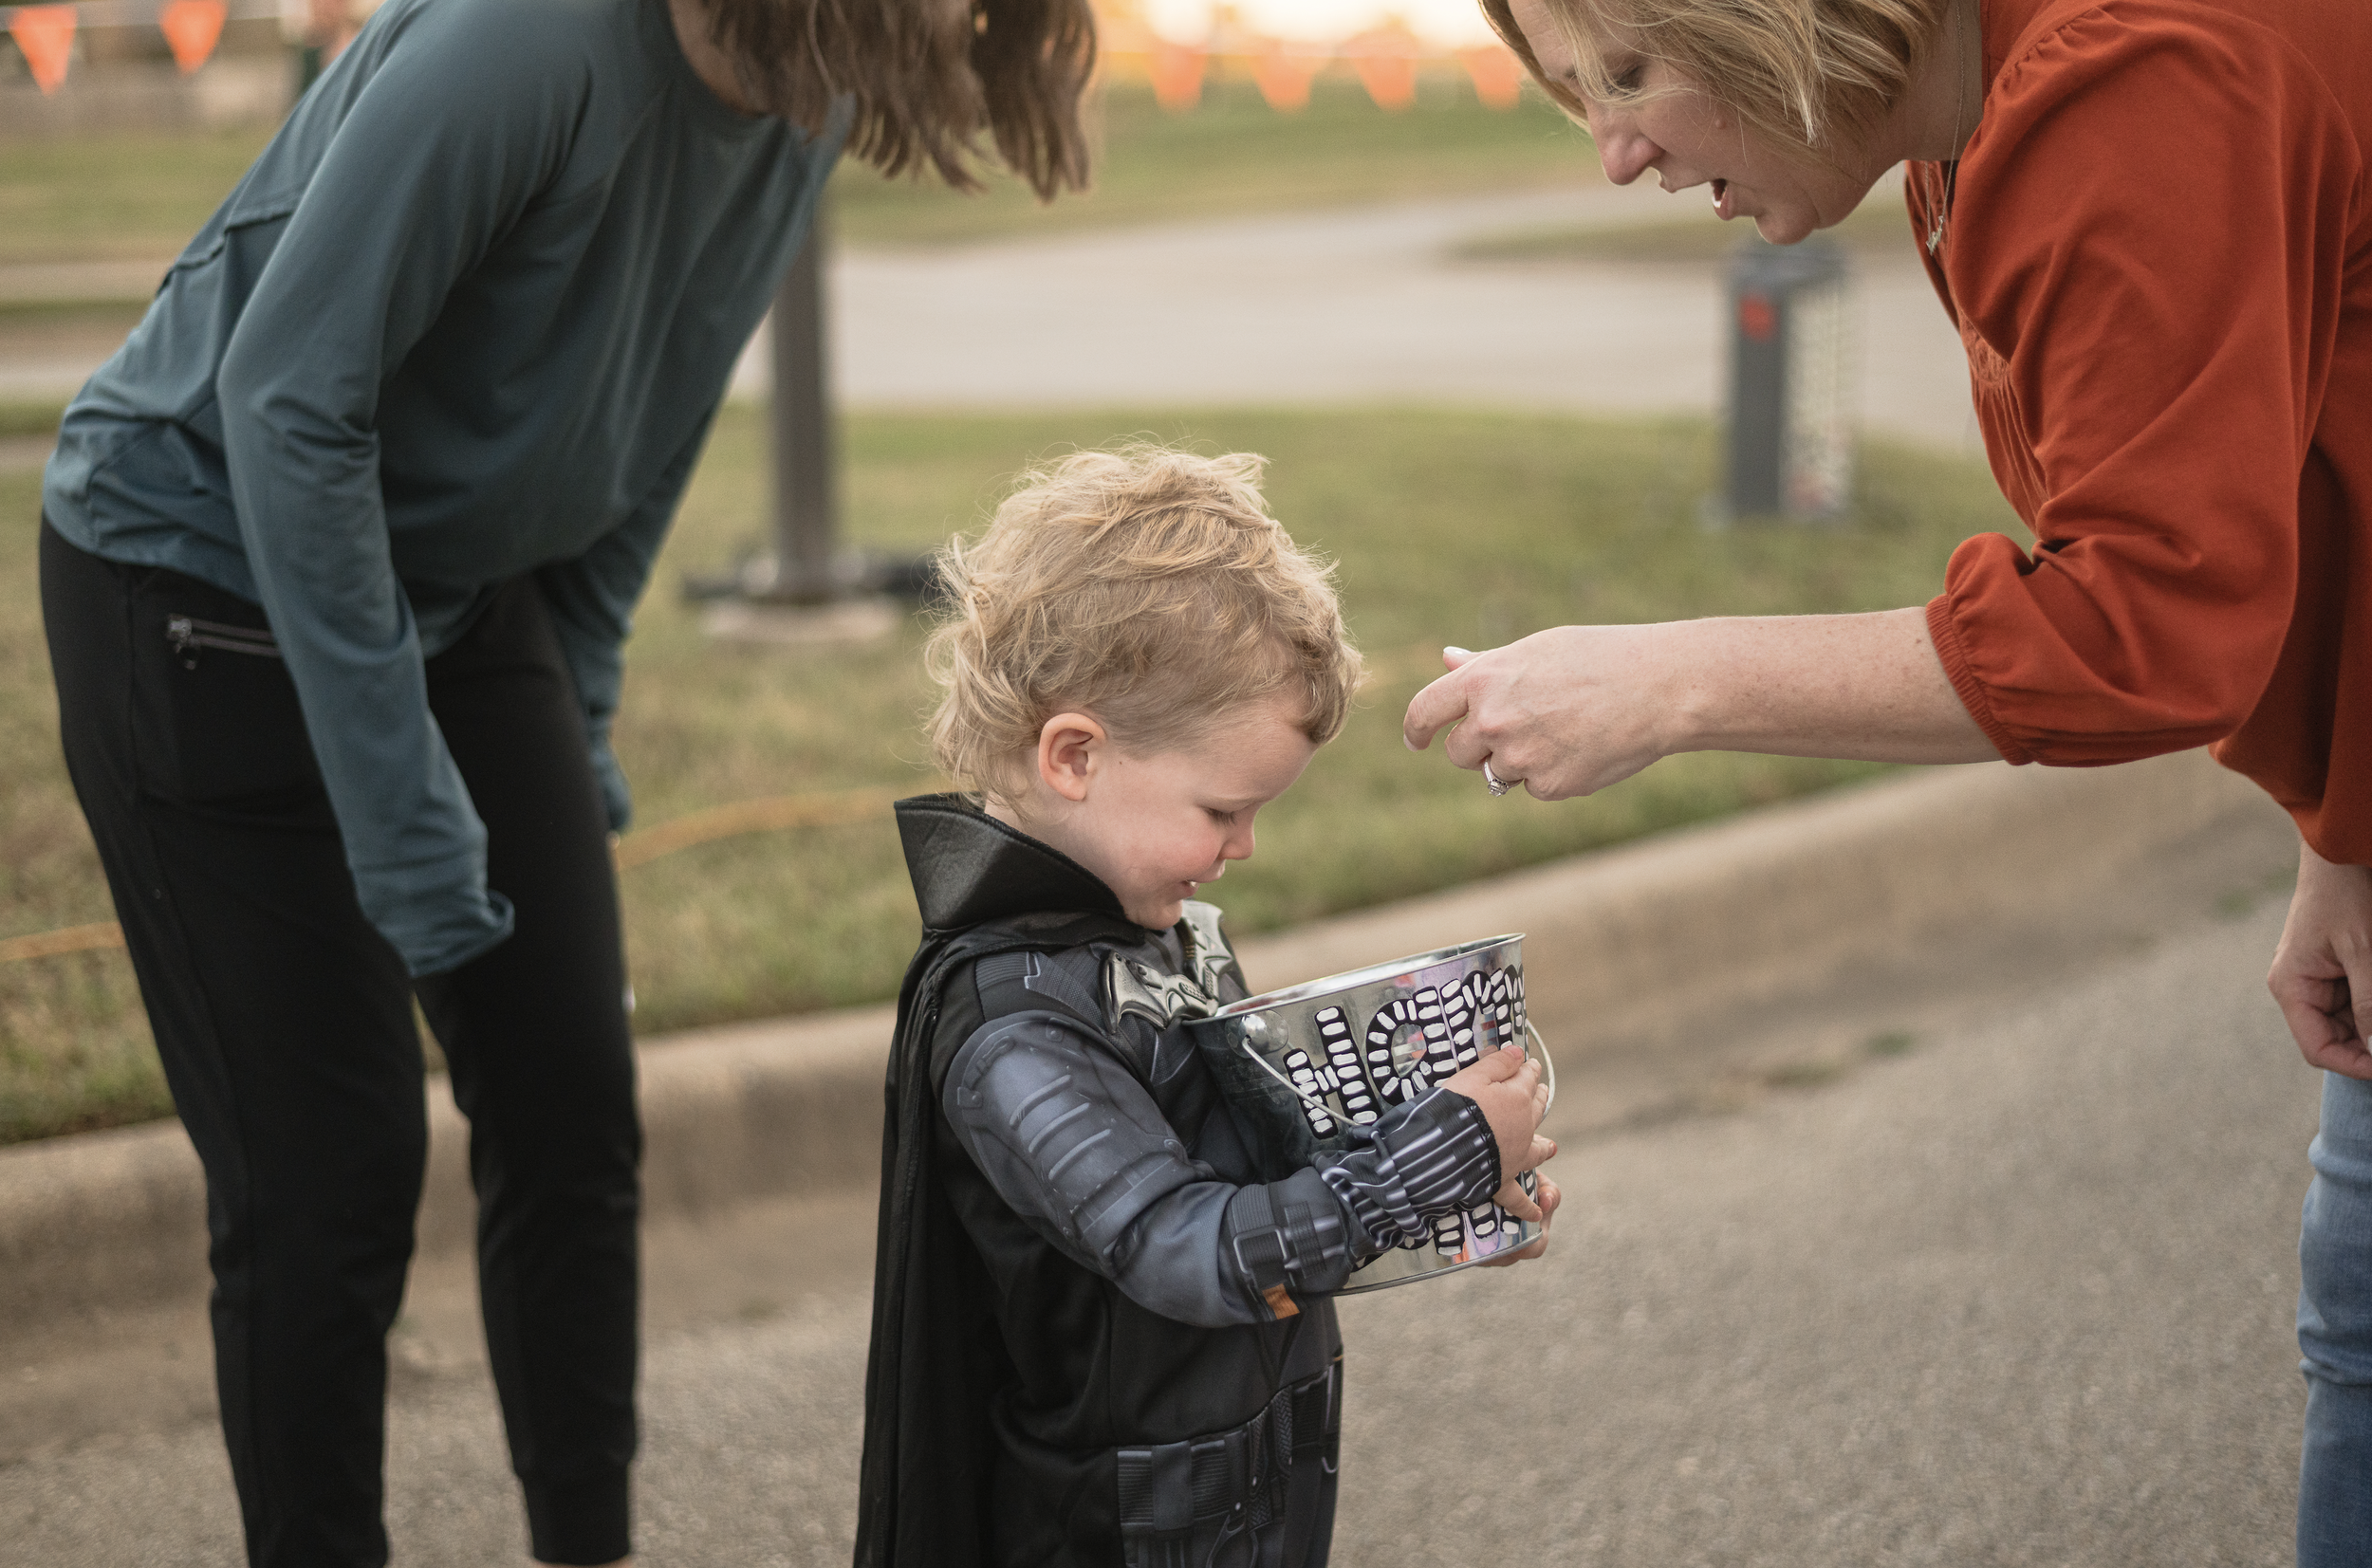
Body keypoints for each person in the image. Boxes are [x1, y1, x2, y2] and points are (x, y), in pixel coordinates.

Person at [35, 0, 1094, 1562]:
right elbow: (285, 400)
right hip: (195, 571)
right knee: (332, 1179)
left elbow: (646, 413)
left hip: (461, 590)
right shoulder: (524, 41)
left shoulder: (811, 86)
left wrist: (577, 693)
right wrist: (403, 822)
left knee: (573, 1112)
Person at [1413, 0, 2372, 1560]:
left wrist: (1676, 679)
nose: (1617, 153)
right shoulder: (1963, 126)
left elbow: (2148, 616)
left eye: (1638, 75)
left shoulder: (2128, 70)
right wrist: (2350, 830)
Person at [855, 446, 1563, 1568]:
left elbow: (1252, 1172)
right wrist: (1438, 1155)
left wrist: (1442, 1197)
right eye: (1222, 809)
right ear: (1075, 755)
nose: (1241, 848)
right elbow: (1185, 1246)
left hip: (1249, 1469)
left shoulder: (1148, 934)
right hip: (1118, 1527)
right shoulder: (1011, 1027)